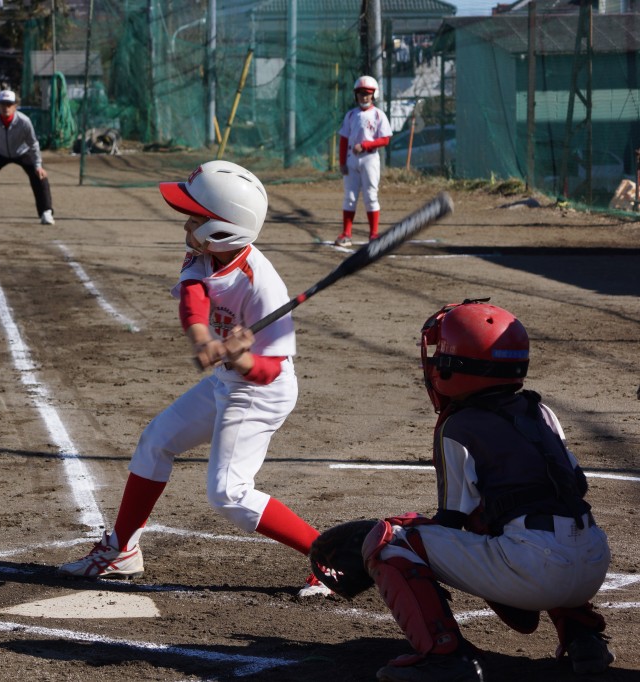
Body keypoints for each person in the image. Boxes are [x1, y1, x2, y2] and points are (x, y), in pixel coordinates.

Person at [58, 160, 328, 596]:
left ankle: (333, 558)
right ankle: (122, 549)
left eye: (196, 217)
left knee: (228, 494)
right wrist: (205, 339)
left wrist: (242, 359)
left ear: (223, 229)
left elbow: (271, 370)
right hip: (227, 381)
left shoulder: (264, 289)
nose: (187, 223)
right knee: (156, 440)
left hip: (260, 393)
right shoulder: (205, 253)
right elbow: (193, 297)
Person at [357, 299, 614, 681]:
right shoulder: (540, 411)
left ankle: (444, 656)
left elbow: (451, 519)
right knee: (518, 515)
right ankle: (584, 635)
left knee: (391, 540)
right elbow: (576, 484)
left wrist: (384, 538)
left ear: (454, 366)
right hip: (593, 559)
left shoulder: (457, 425)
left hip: (534, 568)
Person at [0, 90, 54, 226]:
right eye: (2, 104)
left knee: (40, 176)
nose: (6, 107)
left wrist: (38, 165)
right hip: (0, 152)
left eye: (9, 104)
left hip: (22, 152)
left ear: (15, 106)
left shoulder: (24, 121)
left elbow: (33, 143)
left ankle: (46, 212)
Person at [335, 75, 392, 247]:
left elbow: (385, 139)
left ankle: (374, 234)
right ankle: (346, 234)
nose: (364, 96)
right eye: (360, 93)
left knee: (371, 196)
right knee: (350, 197)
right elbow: (344, 139)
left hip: (370, 159)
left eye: (367, 93)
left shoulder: (378, 115)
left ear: (374, 94)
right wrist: (342, 162)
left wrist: (366, 145)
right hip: (352, 160)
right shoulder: (351, 115)